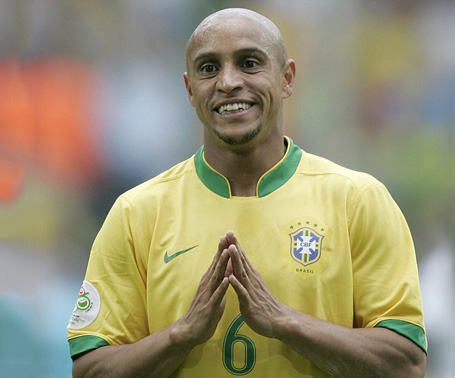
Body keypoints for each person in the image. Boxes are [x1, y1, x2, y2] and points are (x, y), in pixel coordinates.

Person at [67, 8, 427, 378]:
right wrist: (181, 335)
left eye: (249, 63)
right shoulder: (136, 213)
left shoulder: (358, 201)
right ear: (190, 90)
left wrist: (285, 322)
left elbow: (407, 364)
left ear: (287, 78)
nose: (227, 82)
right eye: (208, 68)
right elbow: (90, 370)